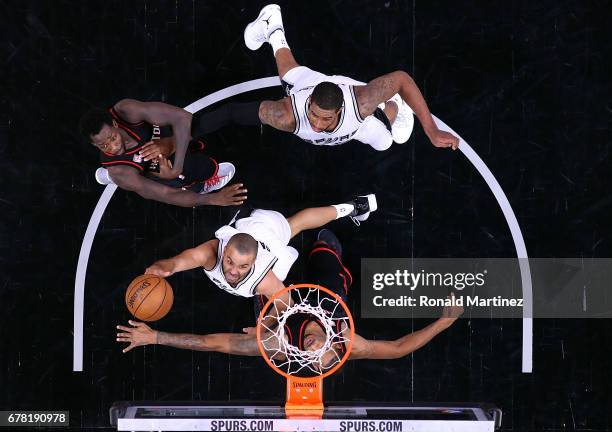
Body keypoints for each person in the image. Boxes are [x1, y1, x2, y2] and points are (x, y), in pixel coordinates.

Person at [117, 229, 463, 365]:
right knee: (327, 247)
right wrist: (444, 322)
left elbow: (212, 343)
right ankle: (319, 237)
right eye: (319, 354)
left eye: (311, 356)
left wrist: (155, 337)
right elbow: (398, 348)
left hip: (276, 297)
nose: (314, 351)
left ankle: (287, 247)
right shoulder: (344, 341)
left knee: (264, 304)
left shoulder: (277, 343)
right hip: (319, 289)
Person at [191, 4, 460, 153]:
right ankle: (272, 23)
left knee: (387, 142)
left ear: (339, 111)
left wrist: (430, 128)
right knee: (289, 73)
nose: (317, 124)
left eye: (325, 119)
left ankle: (395, 107)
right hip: (309, 85)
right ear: (308, 105)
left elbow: (402, 78)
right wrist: (185, 135)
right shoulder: (287, 115)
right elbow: (230, 113)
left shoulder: (360, 105)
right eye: (314, 115)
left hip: (356, 111)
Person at [143, 194, 377, 300]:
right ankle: (355, 206)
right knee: (295, 223)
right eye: (229, 261)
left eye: (243, 266)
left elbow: (285, 303)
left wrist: (268, 325)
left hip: (269, 230)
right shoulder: (211, 254)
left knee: (296, 224)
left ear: (254, 264)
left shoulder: (265, 279)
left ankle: (354, 206)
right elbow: (178, 262)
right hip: (249, 227)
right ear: (224, 253)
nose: (233, 271)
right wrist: (162, 267)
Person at [79, 101, 246, 207]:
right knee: (187, 170)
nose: (112, 147)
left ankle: (179, 157)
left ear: (115, 124)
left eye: (112, 138)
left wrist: (171, 144)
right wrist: (212, 199)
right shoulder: (121, 172)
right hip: (150, 170)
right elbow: (167, 195)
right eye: (103, 145)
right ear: (94, 144)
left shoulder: (125, 111)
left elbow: (182, 118)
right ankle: (198, 186)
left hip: (164, 136)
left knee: (195, 125)